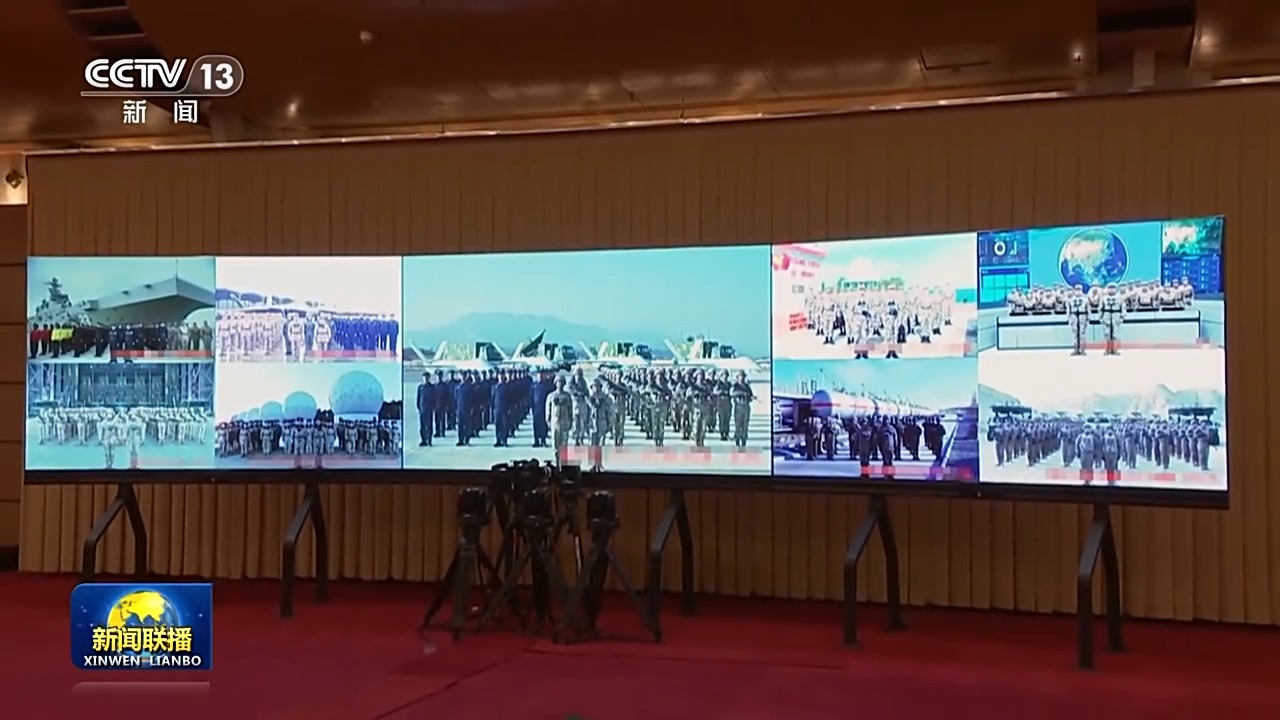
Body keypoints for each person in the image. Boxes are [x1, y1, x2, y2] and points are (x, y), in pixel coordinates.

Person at [416, 372, 434, 446]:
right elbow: (418, 398)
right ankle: (423, 440)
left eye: (427, 378)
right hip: (422, 409)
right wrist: (419, 407)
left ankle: (429, 440)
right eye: (424, 378)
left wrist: (433, 407)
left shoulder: (432, 387)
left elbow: (435, 398)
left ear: (429, 378)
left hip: (429, 409)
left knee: (429, 425)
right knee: (422, 426)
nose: (425, 379)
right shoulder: (420, 387)